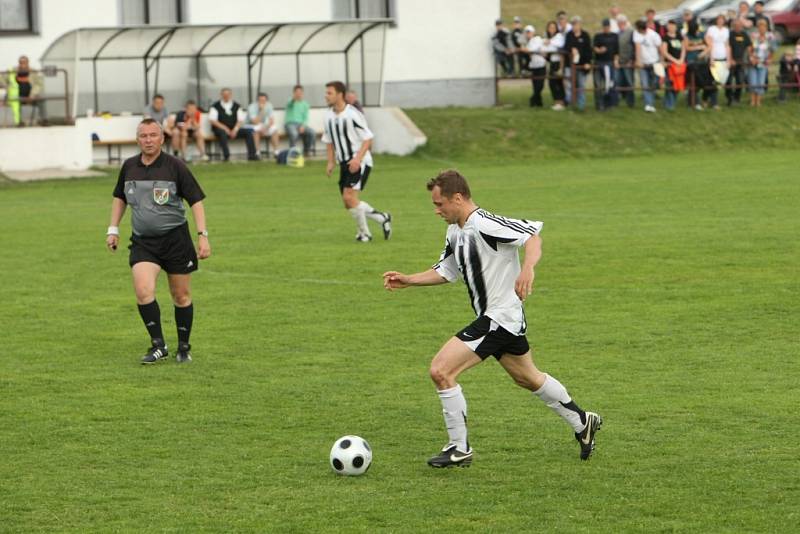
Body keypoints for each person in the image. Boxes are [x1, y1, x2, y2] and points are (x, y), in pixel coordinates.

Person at [382, 170, 602, 468]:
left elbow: (532, 236)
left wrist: (528, 268)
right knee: (528, 377)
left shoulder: (485, 224)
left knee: (441, 371)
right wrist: (409, 279)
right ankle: (582, 421)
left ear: (457, 198)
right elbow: (446, 271)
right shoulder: (454, 232)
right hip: (501, 320)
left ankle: (459, 448)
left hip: (500, 317)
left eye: (439, 204)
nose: (436, 211)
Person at [105, 118, 210, 364]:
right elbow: (119, 198)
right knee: (143, 291)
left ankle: (183, 347)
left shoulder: (175, 166)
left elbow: (196, 201)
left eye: (153, 135)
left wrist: (202, 236)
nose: (148, 140)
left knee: (181, 296)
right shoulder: (129, 166)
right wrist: (113, 229)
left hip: (176, 241)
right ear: (138, 139)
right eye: (144, 136)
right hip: (144, 242)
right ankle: (158, 345)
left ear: (162, 139)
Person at [322, 81, 392, 243]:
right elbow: (329, 141)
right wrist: (331, 162)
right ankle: (383, 218)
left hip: (360, 161)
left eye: (329, 93)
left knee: (349, 198)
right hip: (344, 163)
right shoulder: (328, 116)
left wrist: (357, 159)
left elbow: (367, 138)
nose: (326, 96)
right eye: (326, 93)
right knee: (349, 203)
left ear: (340, 94)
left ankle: (365, 234)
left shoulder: (352, 114)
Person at [209, 88, 258, 161]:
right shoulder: (215, 106)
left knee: (248, 132)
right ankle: (226, 156)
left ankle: (252, 155)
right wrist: (225, 129)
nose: (226, 96)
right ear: (221, 95)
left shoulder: (237, 105)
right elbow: (213, 120)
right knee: (222, 133)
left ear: (231, 95)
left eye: (228, 94)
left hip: (234, 129)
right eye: (224, 95)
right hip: (220, 129)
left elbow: (240, 120)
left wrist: (235, 130)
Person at [634, 19, 662, 112]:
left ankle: (650, 101)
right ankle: (649, 104)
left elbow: (659, 48)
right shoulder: (636, 33)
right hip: (643, 64)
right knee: (645, 84)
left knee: (654, 83)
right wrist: (638, 61)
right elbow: (637, 47)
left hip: (655, 62)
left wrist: (661, 61)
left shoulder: (654, 35)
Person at [564, 16, 592, 110]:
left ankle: (581, 105)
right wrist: (571, 49)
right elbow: (566, 47)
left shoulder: (585, 35)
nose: (575, 26)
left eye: (576, 24)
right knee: (569, 84)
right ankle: (570, 102)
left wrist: (588, 62)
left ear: (580, 24)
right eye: (573, 24)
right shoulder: (569, 35)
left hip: (582, 65)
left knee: (581, 85)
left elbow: (588, 50)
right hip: (570, 65)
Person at [685, 20, 713, 109]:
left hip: (702, 61)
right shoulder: (687, 36)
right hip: (691, 61)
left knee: (709, 80)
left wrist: (703, 53)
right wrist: (699, 47)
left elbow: (709, 46)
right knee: (696, 81)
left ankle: (702, 99)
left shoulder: (702, 35)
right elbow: (686, 47)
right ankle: (694, 102)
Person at [10, 55, 46, 125]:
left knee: (42, 100)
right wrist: (6, 86)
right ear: (19, 63)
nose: (22, 64)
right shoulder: (13, 71)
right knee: (15, 102)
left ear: (28, 62)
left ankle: (44, 120)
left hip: (31, 96)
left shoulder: (33, 72)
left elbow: (39, 84)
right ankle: (19, 122)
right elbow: (3, 78)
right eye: (21, 62)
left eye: (24, 62)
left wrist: (32, 95)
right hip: (18, 96)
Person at [748, 19, 776, 107]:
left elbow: (772, 50)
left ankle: (758, 101)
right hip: (753, 62)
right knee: (753, 82)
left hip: (764, 63)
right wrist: (751, 57)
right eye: (760, 26)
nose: (762, 28)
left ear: (766, 27)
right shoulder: (753, 36)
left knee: (760, 82)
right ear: (757, 27)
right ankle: (752, 101)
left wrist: (769, 59)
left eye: (763, 26)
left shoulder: (770, 37)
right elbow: (749, 49)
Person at [593, 18, 619, 111]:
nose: (606, 28)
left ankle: (610, 103)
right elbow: (594, 48)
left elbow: (616, 50)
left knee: (610, 83)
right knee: (599, 84)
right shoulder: (598, 36)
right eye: (605, 27)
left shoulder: (614, 36)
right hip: (600, 62)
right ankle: (599, 104)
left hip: (610, 62)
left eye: (607, 26)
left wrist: (616, 60)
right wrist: (599, 51)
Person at [705, 14, 731, 110]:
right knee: (714, 80)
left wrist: (728, 59)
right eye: (719, 19)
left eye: (722, 19)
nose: (720, 21)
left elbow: (727, 45)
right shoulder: (711, 29)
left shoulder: (726, 30)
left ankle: (706, 99)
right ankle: (713, 102)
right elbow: (710, 44)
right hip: (714, 58)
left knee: (721, 80)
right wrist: (711, 58)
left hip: (723, 58)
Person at [661, 20, 686, 111]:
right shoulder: (665, 38)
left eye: (673, 26)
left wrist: (681, 60)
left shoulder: (679, 36)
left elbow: (683, 48)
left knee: (678, 85)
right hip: (670, 65)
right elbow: (664, 51)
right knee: (670, 84)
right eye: (670, 26)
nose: (671, 27)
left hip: (680, 64)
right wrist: (675, 60)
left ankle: (669, 102)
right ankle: (670, 105)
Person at [285, 85, 316, 157]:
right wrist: (294, 98)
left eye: (300, 92)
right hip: (290, 124)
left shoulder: (305, 104)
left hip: (301, 124)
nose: (299, 94)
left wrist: (303, 126)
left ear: (302, 93)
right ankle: (292, 153)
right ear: (294, 93)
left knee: (312, 132)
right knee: (294, 134)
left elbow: (306, 118)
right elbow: (290, 104)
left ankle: (306, 151)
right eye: (297, 92)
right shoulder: (290, 101)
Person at [727, 19, 752, 105]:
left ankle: (737, 98)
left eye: (739, 26)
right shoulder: (729, 35)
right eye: (736, 26)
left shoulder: (744, 34)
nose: (738, 27)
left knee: (740, 81)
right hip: (730, 62)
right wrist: (730, 59)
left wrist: (750, 57)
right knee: (729, 81)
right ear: (733, 26)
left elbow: (749, 46)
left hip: (741, 62)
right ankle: (729, 99)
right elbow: (727, 47)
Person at [543, 21, 566, 110]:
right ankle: (556, 101)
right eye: (550, 28)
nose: (551, 29)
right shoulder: (550, 38)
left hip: (558, 62)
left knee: (558, 83)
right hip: (552, 63)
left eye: (553, 27)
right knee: (552, 82)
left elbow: (559, 45)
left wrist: (549, 42)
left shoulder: (558, 37)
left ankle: (561, 102)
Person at [524, 25, 548, 108]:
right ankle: (538, 103)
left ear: (533, 32)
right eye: (527, 32)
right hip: (534, 66)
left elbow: (532, 49)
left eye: (529, 32)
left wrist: (526, 50)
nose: (528, 34)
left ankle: (533, 99)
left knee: (540, 85)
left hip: (541, 64)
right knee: (535, 85)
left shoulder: (536, 39)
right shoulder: (529, 42)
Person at [616, 14, 636, 108]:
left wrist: (631, 60)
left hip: (628, 62)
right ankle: (616, 102)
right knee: (618, 81)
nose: (620, 24)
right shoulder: (617, 33)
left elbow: (634, 47)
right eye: (619, 23)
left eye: (621, 22)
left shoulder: (631, 32)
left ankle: (631, 103)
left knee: (629, 82)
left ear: (624, 22)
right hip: (619, 62)